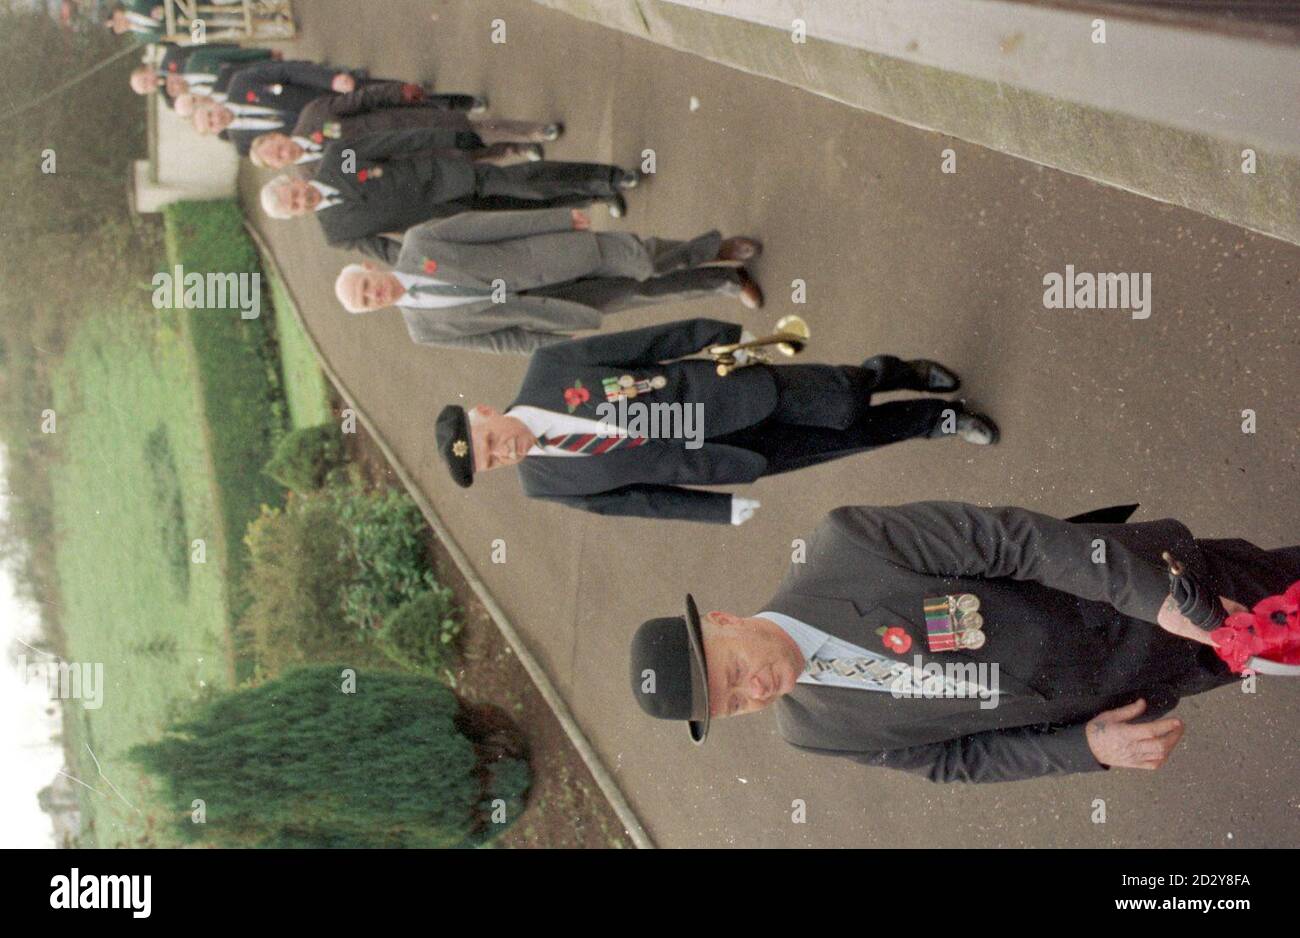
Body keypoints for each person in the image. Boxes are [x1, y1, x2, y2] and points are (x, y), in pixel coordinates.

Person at [627, 501, 1300, 781]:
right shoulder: (814, 732)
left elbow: (1019, 542)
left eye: (735, 673)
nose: (753, 691)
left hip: (1158, 602)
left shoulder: (847, 548)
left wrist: (1153, 598)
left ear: (722, 620)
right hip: (1140, 684)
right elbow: (957, 761)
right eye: (735, 704)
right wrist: (1086, 749)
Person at [433, 318, 998, 524]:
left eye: (489, 444)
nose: (502, 456)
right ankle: (939, 420)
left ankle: (892, 372)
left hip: (726, 393)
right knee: (848, 438)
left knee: (843, 398)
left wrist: (711, 334)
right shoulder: (542, 483)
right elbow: (639, 501)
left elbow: (640, 344)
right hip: (726, 457)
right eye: (490, 464)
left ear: (484, 413)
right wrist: (719, 509)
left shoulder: (549, 368)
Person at [333, 209, 764, 354]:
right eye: (368, 301)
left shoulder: (420, 242)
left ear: (371, 270)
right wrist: (556, 343)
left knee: (643, 259)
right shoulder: (424, 331)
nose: (375, 293)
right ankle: (724, 282)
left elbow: (488, 226)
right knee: (643, 291)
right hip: (555, 306)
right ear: (373, 309)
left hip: (550, 255)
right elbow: (501, 341)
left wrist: (557, 219)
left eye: (367, 286)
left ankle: (714, 250)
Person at [259, 130, 639, 254]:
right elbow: (390, 251)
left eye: (294, 193)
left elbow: (395, 141)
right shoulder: (336, 232)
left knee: (525, 183)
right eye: (294, 207)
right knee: (520, 209)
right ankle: (596, 196)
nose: (301, 200)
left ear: (294, 180)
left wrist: (450, 137)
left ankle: (609, 177)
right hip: (447, 217)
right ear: (296, 215)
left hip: (443, 177)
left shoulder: (335, 160)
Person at [248, 81, 557, 171]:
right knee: (469, 157)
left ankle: (532, 132)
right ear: (278, 167)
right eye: (275, 159)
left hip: (407, 124)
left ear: (277, 136)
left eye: (275, 147)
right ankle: (515, 149)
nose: (281, 153)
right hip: (408, 159)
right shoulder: (313, 173)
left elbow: (358, 101)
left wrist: (397, 92)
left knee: (476, 126)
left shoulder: (313, 116)